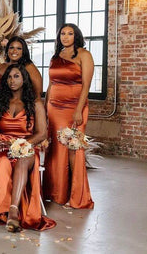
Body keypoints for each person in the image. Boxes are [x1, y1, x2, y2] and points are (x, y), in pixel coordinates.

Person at [0, 64, 56, 232]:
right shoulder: (0, 99)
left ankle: (12, 211)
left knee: (23, 159)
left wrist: (22, 145)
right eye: (9, 77)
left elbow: (42, 133)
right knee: (3, 162)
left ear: (24, 79)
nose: (12, 80)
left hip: (27, 146)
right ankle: (6, 210)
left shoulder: (35, 102)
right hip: (4, 147)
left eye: (16, 76)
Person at [43, 23, 94, 209]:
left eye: (70, 33)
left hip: (74, 108)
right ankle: (56, 193)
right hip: (53, 108)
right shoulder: (55, 57)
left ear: (76, 36)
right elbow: (51, 84)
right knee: (55, 149)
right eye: (62, 34)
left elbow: (86, 86)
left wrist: (79, 110)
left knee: (74, 149)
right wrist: (44, 107)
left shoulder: (84, 55)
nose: (65, 37)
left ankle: (76, 195)